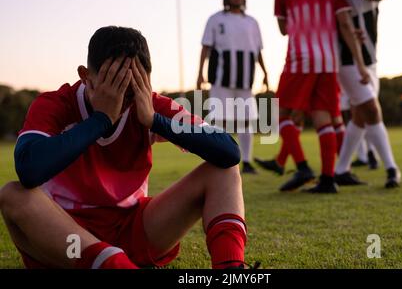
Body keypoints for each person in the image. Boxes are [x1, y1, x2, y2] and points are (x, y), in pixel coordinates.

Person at [0, 26, 249, 269]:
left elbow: (229, 151)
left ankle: (231, 269)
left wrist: (155, 121)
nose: (122, 102)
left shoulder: (148, 105)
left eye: (131, 91)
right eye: (113, 87)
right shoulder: (56, 104)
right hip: (69, 239)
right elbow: (29, 169)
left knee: (224, 171)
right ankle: (113, 263)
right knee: (13, 194)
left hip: (134, 231)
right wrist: (101, 119)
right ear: (86, 76)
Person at [256, 0, 370, 194]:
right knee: (324, 116)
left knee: (283, 114)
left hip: (301, 58)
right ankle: (328, 178)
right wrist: (360, 64)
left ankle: (302, 167)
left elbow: (283, 29)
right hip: (329, 61)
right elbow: (346, 25)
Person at [314, 0, 401, 188]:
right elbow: (326, 20)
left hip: (370, 57)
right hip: (345, 58)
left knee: (360, 115)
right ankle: (391, 168)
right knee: (371, 108)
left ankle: (341, 169)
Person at [197, 0, 269, 175]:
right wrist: (199, 73)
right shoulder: (215, 19)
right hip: (221, 79)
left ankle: (246, 161)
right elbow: (206, 47)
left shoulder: (252, 22)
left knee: (246, 119)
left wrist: (265, 73)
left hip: (245, 81)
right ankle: (219, 159)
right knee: (220, 119)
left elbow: (257, 51)